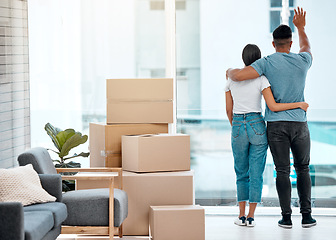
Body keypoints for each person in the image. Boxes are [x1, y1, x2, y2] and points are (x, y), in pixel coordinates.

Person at [226, 7, 316, 228]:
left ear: (274, 44)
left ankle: (286, 218)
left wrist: (229, 72)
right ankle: (306, 217)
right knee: (302, 168)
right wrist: (301, 28)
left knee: (282, 170)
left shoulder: (266, 63)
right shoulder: (303, 60)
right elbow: (307, 47)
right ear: (291, 44)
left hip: (275, 126)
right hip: (299, 123)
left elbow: (238, 75)